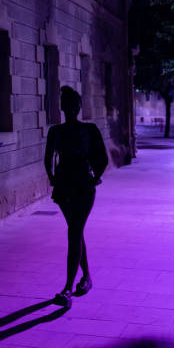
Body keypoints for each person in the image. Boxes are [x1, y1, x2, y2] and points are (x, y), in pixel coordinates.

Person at [44, 85, 108, 308]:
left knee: (74, 232)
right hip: (64, 188)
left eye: (73, 105)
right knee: (76, 232)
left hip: (82, 186)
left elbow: (102, 157)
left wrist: (95, 178)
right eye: (66, 105)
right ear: (62, 107)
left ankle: (67, 289)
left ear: (78, 107)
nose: (69, 109)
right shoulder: (56, 131)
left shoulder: (89, 130)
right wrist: (52, 178)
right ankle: (87, 278)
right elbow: (47, 157)